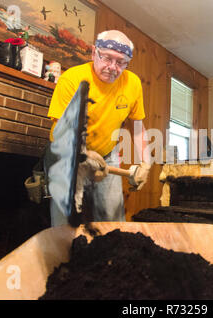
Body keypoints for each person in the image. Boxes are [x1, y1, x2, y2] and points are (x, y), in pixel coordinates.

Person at [47, 30, 150, 226]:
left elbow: (138, 126)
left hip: (108, 154)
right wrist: (85, 154)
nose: (113, 67)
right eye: (107, 58)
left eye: (121, 62)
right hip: (68, 156)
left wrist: (146, 163)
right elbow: (61, 132)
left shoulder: (133, 83)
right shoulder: (72, 79)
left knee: (112, 219)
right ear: (94, 52)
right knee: (65, 220)